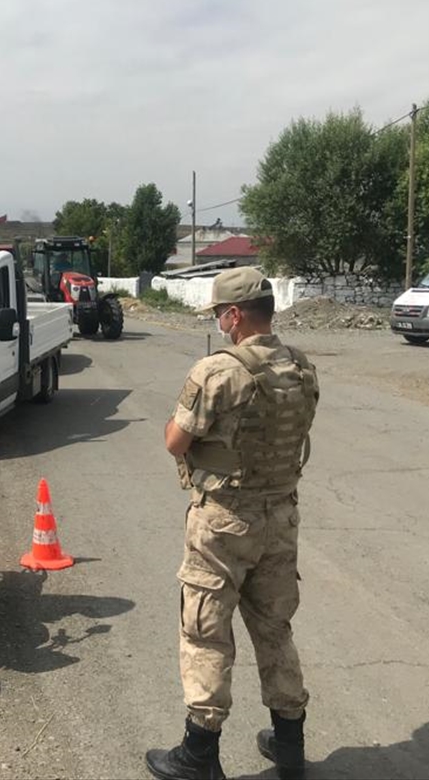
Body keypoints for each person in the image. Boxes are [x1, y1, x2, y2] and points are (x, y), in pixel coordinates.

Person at [146, 267, 320, 780]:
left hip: (224, 521)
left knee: (205, 631)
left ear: (235, 315)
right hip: (281, 516)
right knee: (274, 628)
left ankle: (199, 753)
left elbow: (176, 441)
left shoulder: (218, 371)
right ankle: (289, 743)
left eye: (221, 314)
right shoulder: (302, 366)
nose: (220, 323)